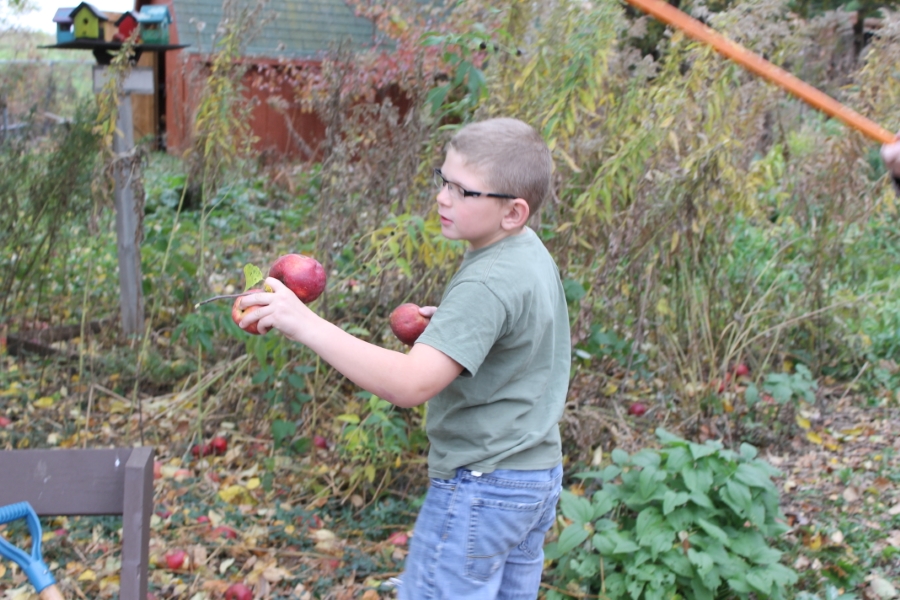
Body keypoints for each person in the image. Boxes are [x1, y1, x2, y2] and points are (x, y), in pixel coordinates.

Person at [237, 117, 571, 600]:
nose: (442, 197)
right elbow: (524, 339)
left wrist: (302, 322)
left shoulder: (485, 281)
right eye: (443, 180)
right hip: (532, 479)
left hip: (482, 485)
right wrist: (458, 333)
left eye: (462, 191)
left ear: (513, 212)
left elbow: (409, 385)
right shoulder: (526, 253)